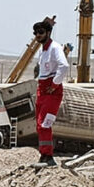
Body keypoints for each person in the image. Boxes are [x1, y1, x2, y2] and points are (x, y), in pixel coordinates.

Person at [33, 18, 69, 166]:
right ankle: (43, 154)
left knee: (45, 124)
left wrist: (54, 84)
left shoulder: (55, 48)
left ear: (48, 32)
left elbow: (64, 66)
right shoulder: (42, 51)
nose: (38, 35)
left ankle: (48, 156)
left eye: (41, 32)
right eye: (35, 33)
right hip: (42, 89)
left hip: (51, 92)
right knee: (39, 124)